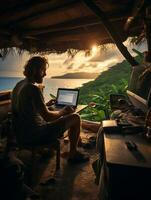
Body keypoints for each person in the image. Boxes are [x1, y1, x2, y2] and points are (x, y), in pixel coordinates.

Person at [11, 56, 89, 163]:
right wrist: (63, 111)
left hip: (21, 134)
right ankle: (73, 153)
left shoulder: (19, 85)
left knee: (58, 114)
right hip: (36, 134)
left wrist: (45, 105)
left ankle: (51, 150)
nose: (45, 74)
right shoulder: (33, 89)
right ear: (36, 70)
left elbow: (25, 109)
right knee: (75, 117)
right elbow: (48, 117)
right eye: (43, 70)